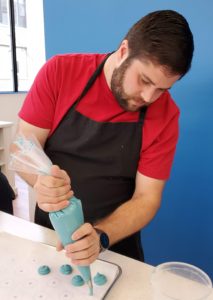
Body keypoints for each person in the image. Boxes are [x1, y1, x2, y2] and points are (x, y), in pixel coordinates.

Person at [16, 10, 194, 265]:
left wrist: (100, 236)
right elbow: (24, 148)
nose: (148, 97)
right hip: (51, 237)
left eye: (162, 89)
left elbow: (147, 198)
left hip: (116, 247)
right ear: (123, 51)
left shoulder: (166, 114)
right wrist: (41, 182)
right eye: (144, 80)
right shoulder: (60, 72)